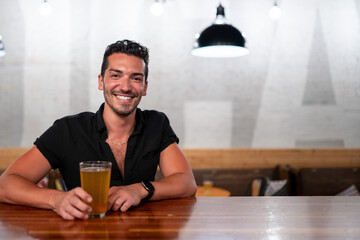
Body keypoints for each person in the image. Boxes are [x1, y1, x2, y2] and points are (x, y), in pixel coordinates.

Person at [0, 39, 197, 220]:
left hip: (141, 233)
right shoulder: (68, 130)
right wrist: (56, 199)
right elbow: (5, 184)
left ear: (145, 87)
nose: (126, 86)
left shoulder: (157, 124)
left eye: (136, 78)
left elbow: (186, 183)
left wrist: (140, 189)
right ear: (101, 81)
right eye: (116, 75)